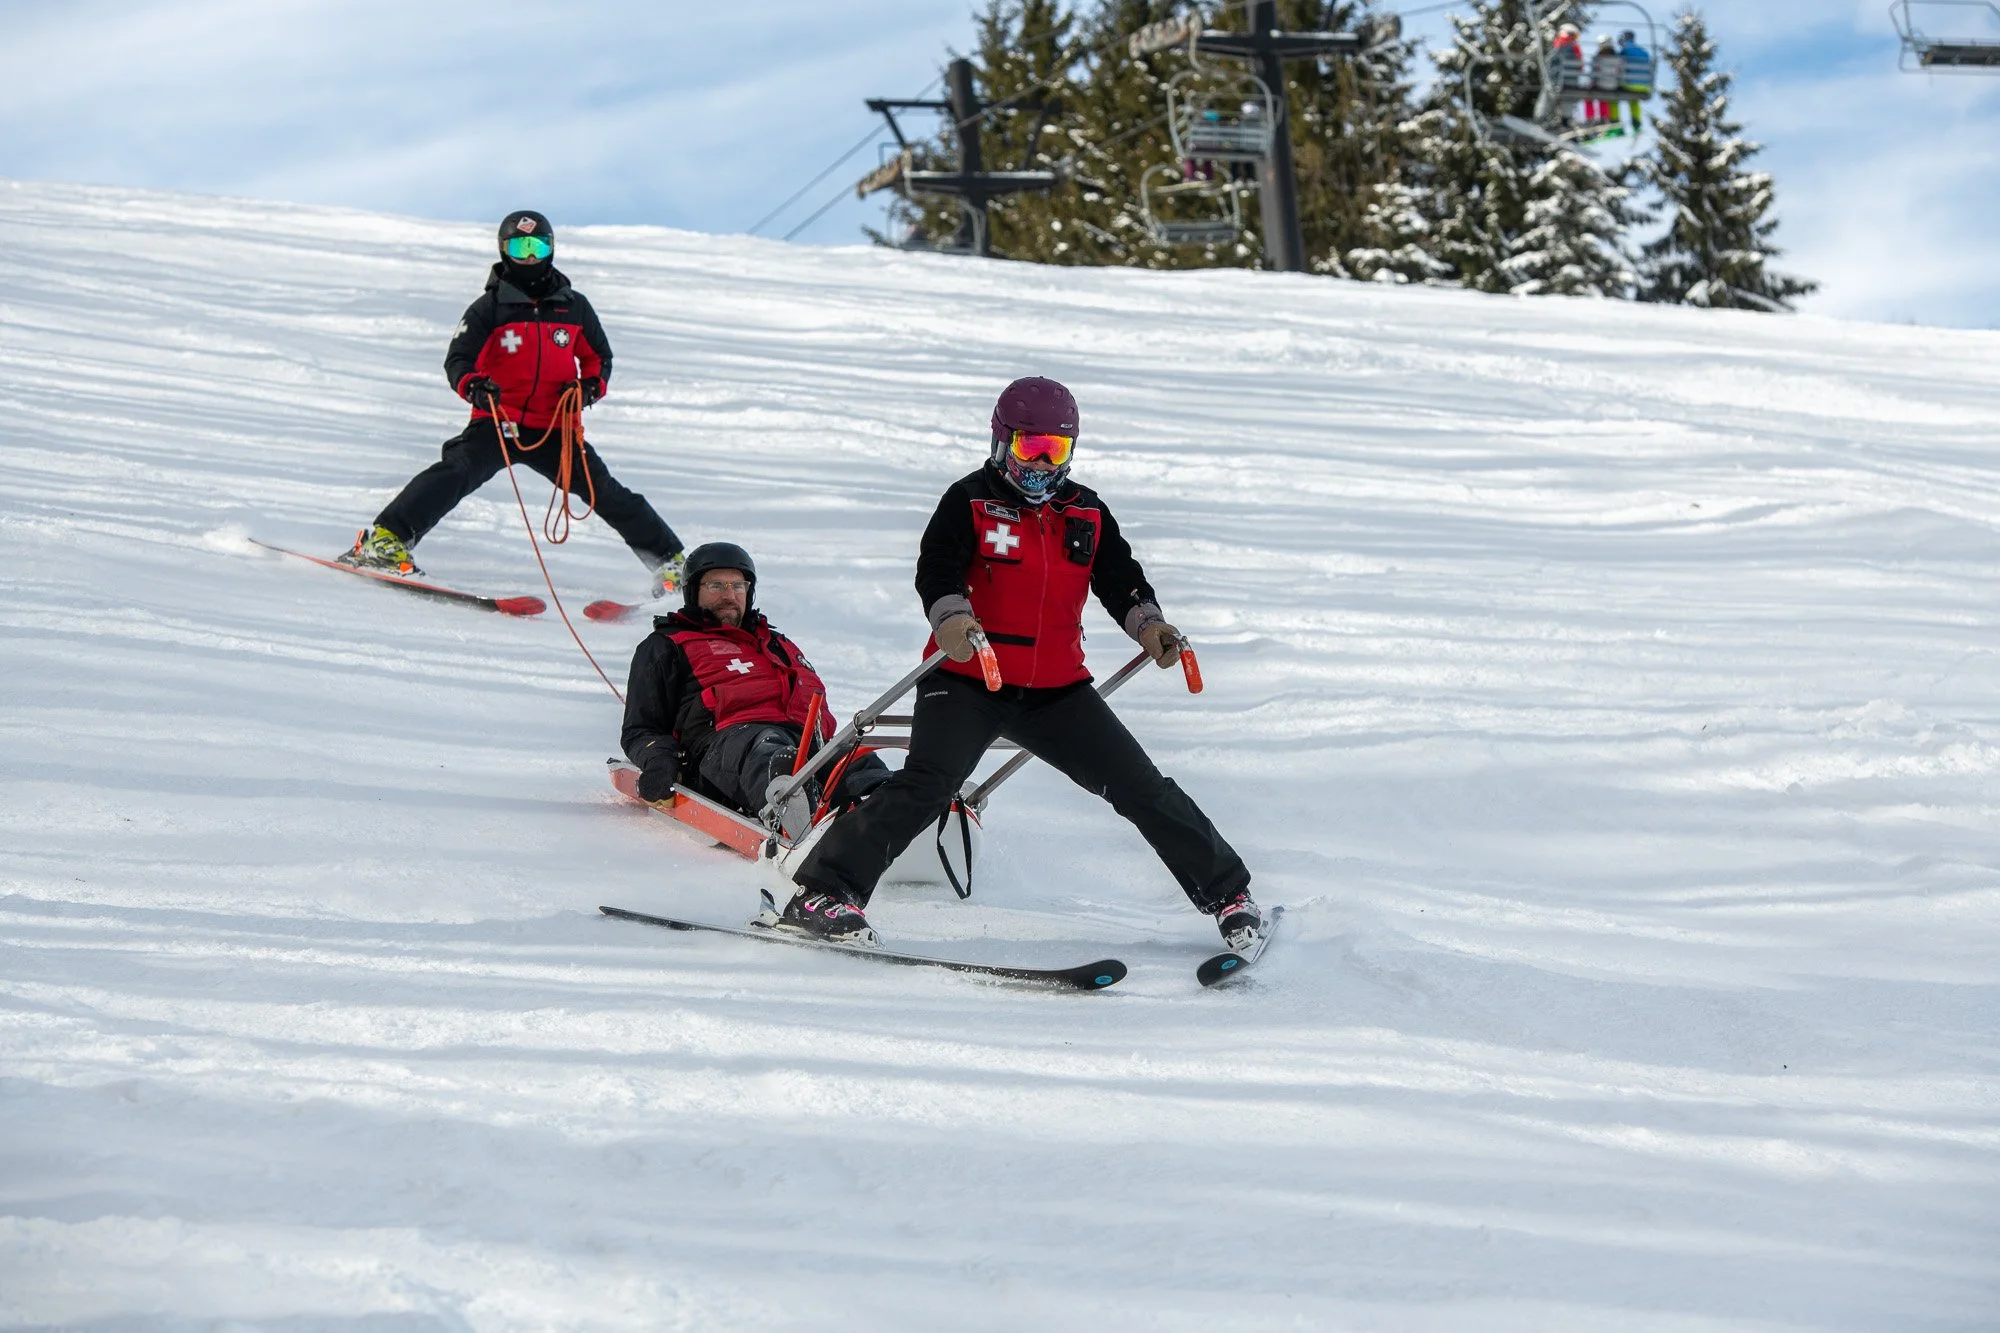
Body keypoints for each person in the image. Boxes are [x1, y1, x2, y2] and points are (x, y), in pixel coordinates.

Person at [778, 377, 1256, 948]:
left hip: (1057, 692)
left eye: (1057, 450)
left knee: (1143, 789)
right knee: (928, 785)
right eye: (1032, 448)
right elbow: (937, 570)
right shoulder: (969, 501)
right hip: (966, 679)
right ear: (1003, 442)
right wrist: (952, 619)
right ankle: (824, 894)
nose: (1042, 464)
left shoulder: (1086, 512)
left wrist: (1149, 625)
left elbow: (1121, 580)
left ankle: (1229, 896)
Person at [341, 209, 685, 594]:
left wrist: (589, 387)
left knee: (604, 491)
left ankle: (672, 564)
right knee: (456, 471)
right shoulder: (488, 308)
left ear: (551, 249)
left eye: (538, 246)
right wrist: (474, 387)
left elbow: (599, 359)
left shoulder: (575, 307)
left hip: (556, 427)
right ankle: (384, 541)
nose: (530, 257)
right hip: (498, 422)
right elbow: (458, 360)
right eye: (520, 248)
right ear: (504, 251)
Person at [621, 541, 889, 838]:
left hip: (804, 739)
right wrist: (659, 763)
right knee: (768, 748)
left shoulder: (776, 643)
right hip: (726, 745)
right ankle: (795, 819)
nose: (729, 595)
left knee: (851, 755)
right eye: (716, 585)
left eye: (738, 586)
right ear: (693, 591)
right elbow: (641, 728)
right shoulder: (666, 645)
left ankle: (892, 810)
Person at [1616, 29, 1654, 135]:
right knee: (1634, 100)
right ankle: (1636, 125)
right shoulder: (1644, 52)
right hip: (1644, 86)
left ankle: (1615, 125)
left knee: (1613, 97)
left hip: (1629, 84)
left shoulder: (1624, 51)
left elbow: (1618, 67)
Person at [1590, 35, 1625, 131]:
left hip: (1601, 84)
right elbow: (1621, 72)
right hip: (1614, 85)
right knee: (1613, 100)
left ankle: (1603, 120)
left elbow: (1594, 73)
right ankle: (1615, 121)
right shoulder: (1617, 58)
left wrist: (1593, 83)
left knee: (1602, 98)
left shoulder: (1597, 58)